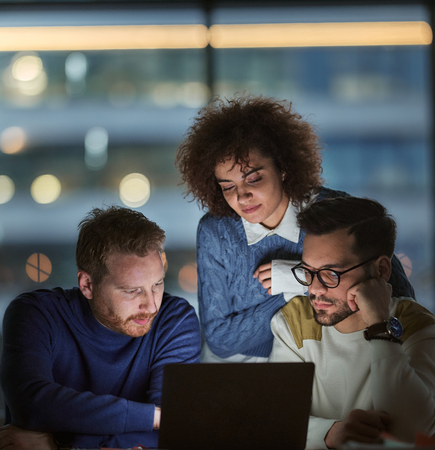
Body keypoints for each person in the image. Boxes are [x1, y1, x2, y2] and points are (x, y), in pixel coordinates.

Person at [175, 95, 414, 362]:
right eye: (228, 186)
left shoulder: (337, 212)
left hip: (326, 366)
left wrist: (298, 277)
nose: (241, 197)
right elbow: (220, 339)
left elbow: (400, 297)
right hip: (239, 376)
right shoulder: (215, 231)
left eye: (253, 178)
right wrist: (292, 291)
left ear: (283, 168)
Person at [0, 206, 201, 450]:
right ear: (87, 284)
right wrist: (152, 417)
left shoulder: (174, 320)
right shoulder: (36, 314)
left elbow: (174, 433)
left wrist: (61, 444)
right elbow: (32, 404)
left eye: (157, 284)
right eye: (132, 291)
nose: (151, 305)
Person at [269, 197, 435, 450]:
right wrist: (331, 433)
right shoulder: (295, 323)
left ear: (381, 271)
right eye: (308, 271)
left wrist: (379, 325)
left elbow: (409, 433)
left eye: (330, 274)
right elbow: (275, 423)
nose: (315, 289)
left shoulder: (420, 328)